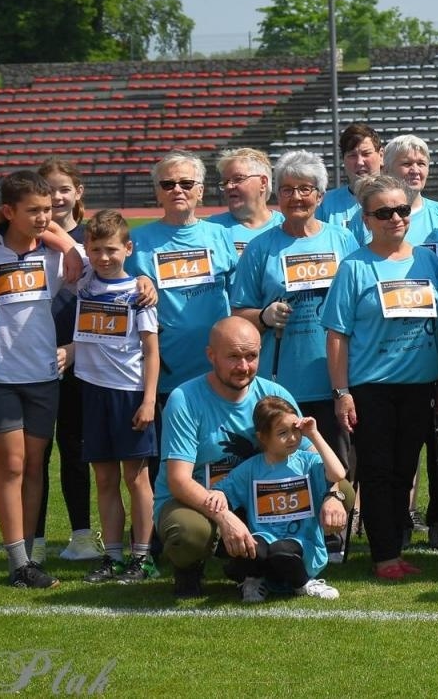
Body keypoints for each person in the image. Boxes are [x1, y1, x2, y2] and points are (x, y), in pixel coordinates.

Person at [155, 317, 342, 598]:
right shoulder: (185, 399)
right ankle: (190, 566)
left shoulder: (274, 394)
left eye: (251, 356)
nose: (243, 367)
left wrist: (334, 496)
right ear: (211, 355)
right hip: (201, 500)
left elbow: (315, 459)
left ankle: (278, 566)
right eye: (233, 357)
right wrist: (225, 518)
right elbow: (179, 481)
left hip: (262, 496)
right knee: (188, 533)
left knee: (344, 491)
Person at [324, 174, 438, 581]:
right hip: (372, 387)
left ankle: (394, 544)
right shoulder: (354, 267)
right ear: (367, 218)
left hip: (419, 386)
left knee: (404, 468)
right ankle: (383, 554)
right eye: (384, 212)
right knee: (376, 470)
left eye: (402, 210)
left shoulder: (428, 260)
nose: (395, 218)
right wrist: (342, 392)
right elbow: (337, 334)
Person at [0, 169, 90, 590]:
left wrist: (63, 241)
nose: (45, 217)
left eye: (48, 210)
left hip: (44, 376)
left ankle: (29, 557)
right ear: (8, 211)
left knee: (34, 467)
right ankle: (17, 559)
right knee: (11, 464)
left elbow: (100, 268)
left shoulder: (59, 256)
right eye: (34, 211)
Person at [229, 150, 360, 499]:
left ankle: (333, 538)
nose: (296, 197)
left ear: (320, 196)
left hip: (335, 378)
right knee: (286, 468)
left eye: (305, 189)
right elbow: (238, 312)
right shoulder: (260, 249)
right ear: (277, 195)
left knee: (337, 465)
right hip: (281, 382)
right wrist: (263, 316)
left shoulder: (342, 240)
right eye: (287, 189)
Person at [386, 133, 438, 550]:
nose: (415, 169)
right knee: (398, 446)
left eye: (421, 162)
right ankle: (397, 519)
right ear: (387, 169)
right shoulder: (372, 215)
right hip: (393, 353)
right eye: (405, 163)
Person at [73, 210, 162, 584]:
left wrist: (148, 400)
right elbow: (61, 239)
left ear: (128, 248)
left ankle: (142, 556)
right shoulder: (84, 281)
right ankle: (112, 556)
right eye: (96, 250)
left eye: (111, 249)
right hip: (92, 393)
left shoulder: (138, 295)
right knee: (104, 479)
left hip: (130, 395)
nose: (103, 257)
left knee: (136, 478)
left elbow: (151, 351)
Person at [214, 396, 344, 602]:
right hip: (264, 541)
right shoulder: (251, 469)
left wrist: (314, 434)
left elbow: (338, 473)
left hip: (302, 545)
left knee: (281, 551)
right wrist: (220, 499)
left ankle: (303, 583)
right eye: (283, 433)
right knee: (247, 546)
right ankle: (253, 581)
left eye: (295, 430)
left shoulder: (307, 462)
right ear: (263, 437)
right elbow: (220, 492)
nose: (292, 438)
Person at [131, 152, 238, 398]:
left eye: (186, 183)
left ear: (200, 191)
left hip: (218, 367)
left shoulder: (220, 235)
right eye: (168, 184)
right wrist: (138, 281)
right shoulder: (137, 241)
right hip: (165, 370)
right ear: (158, 193)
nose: (177, 190)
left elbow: (238, 300)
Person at [39, 157, 98, 563]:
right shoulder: (20, 234)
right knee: (32, 457)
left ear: (78, 192)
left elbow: (114, 302)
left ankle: (81, 534)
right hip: (30, 363)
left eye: (64, 188)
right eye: (48, 190)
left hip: (84, 360)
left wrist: (77, 348)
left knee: (76, 449)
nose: (57, 197)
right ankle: (32, 539)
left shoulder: (97, 237)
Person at [211, 147, 283, 255]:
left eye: (238, 179)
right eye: (225, 182)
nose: (229, 186)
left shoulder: (288, 226)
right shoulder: (211, 229)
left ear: (263, 183)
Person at [318, 123, 384, 229]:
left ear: (381, 156)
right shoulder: (325, 204)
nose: (359, 162)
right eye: (352, 155)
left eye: (366, 154)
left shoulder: (399, 201)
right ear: (343, 159)